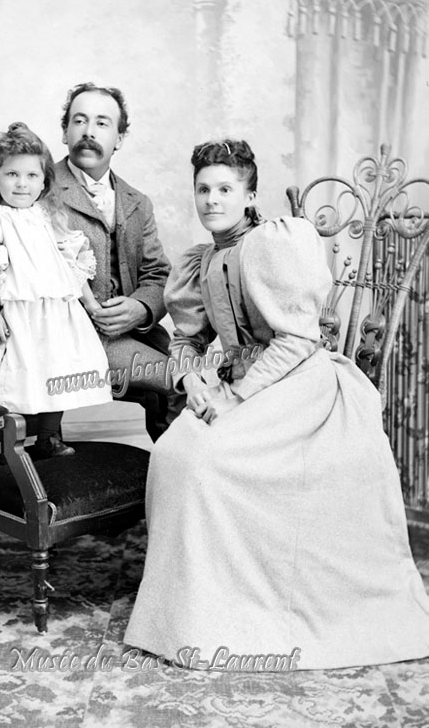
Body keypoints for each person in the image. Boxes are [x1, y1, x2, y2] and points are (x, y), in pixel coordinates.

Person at [124, 139, 429, 670]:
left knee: (209, 461)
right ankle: (199, 612)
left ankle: (254, 607)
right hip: (236, 382)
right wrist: (192, 380)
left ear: (249, 196)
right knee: (173, 454)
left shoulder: (272, 243)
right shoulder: (200, 261)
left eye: (225, 189)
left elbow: (296, 341)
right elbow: (187, 340)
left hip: (298, 384)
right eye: (203, 189)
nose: (212, 200)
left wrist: (238, 398)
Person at [0, 82, 178, 437]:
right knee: (180, 379)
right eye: (79, 121)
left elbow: (157, 273)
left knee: (201, 374)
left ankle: (173, 464)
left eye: (102, 123)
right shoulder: (33, 186)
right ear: (65, 132)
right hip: (68, 335)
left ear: (119, 138)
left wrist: (141, 309)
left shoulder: (137, 202)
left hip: (133, 332)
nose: (88, 131)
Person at [0, 122, 112, 459]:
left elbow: (70, 266)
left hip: (58, 315)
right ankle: (13, 448)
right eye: (12, 175)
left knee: (60, 372)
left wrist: (92, 305)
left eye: (31, 176)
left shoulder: (47, 216)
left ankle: (48, 438)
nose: (22, 184)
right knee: (20, 377)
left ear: (43, 182)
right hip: (21, 315)